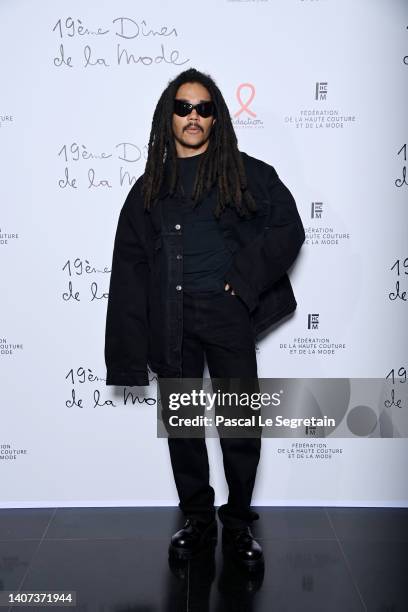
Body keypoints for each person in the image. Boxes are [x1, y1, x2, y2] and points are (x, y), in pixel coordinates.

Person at [104, 68, 305, 572]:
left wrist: (244, 277)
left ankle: (237, 525)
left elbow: (289, 226)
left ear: (216, 118)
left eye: (203, 108)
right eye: (183, 107)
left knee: (240, 425)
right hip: (171, 319)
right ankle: (197, 520)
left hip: (227, 314)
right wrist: (128, 355)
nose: (193, 116)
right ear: (167, 117)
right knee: (185, 427)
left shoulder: (245, 172)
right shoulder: (149, 188)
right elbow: (128, 271)